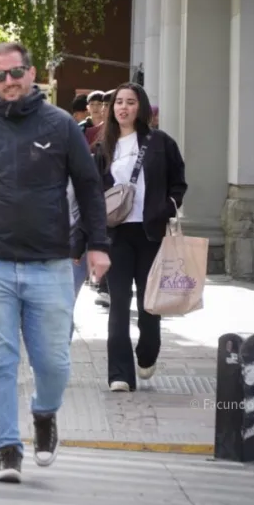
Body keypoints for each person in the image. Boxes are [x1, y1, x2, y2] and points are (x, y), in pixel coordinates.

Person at [0, 42, 111, 483]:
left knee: (53, 363)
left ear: (32, 73)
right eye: (0, 76)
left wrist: (98, 243)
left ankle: (44, 412)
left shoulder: (60, 125)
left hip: (50, 264)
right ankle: (6, 448)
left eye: (16, 72)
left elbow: (88, 186)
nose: (9, 82)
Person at [93, 83, 187, 393]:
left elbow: (178, 181)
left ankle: (148, 351)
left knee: (149, 303)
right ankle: (119, 374)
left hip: (151, 233)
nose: (123, 107)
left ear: (141, 107)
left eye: (130, 102)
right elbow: (92, 189)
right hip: (116, 235)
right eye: (118, 102)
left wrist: (168, 206)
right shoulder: (103, 146)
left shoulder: (160, 142)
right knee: (119, 304)